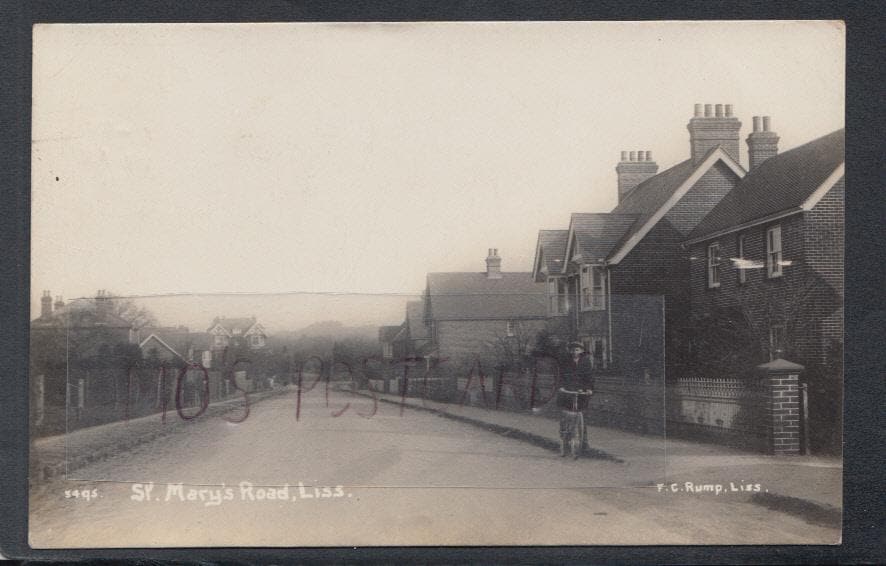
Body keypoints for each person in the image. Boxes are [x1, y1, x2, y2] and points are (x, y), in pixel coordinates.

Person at [557, 341, 594, 457]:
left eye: (577, 350)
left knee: (582, 417)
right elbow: (560, 375)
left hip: (581, 392)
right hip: (568, 391)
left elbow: (590, 376)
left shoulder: (586, 361)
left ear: (581, 351)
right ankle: (566, 443)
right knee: (567, 417)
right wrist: (561, 387)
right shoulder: (565, 361)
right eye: (573, 350)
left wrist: (589, 389)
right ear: (570, 351)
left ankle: (584, 444)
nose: (575, 352)